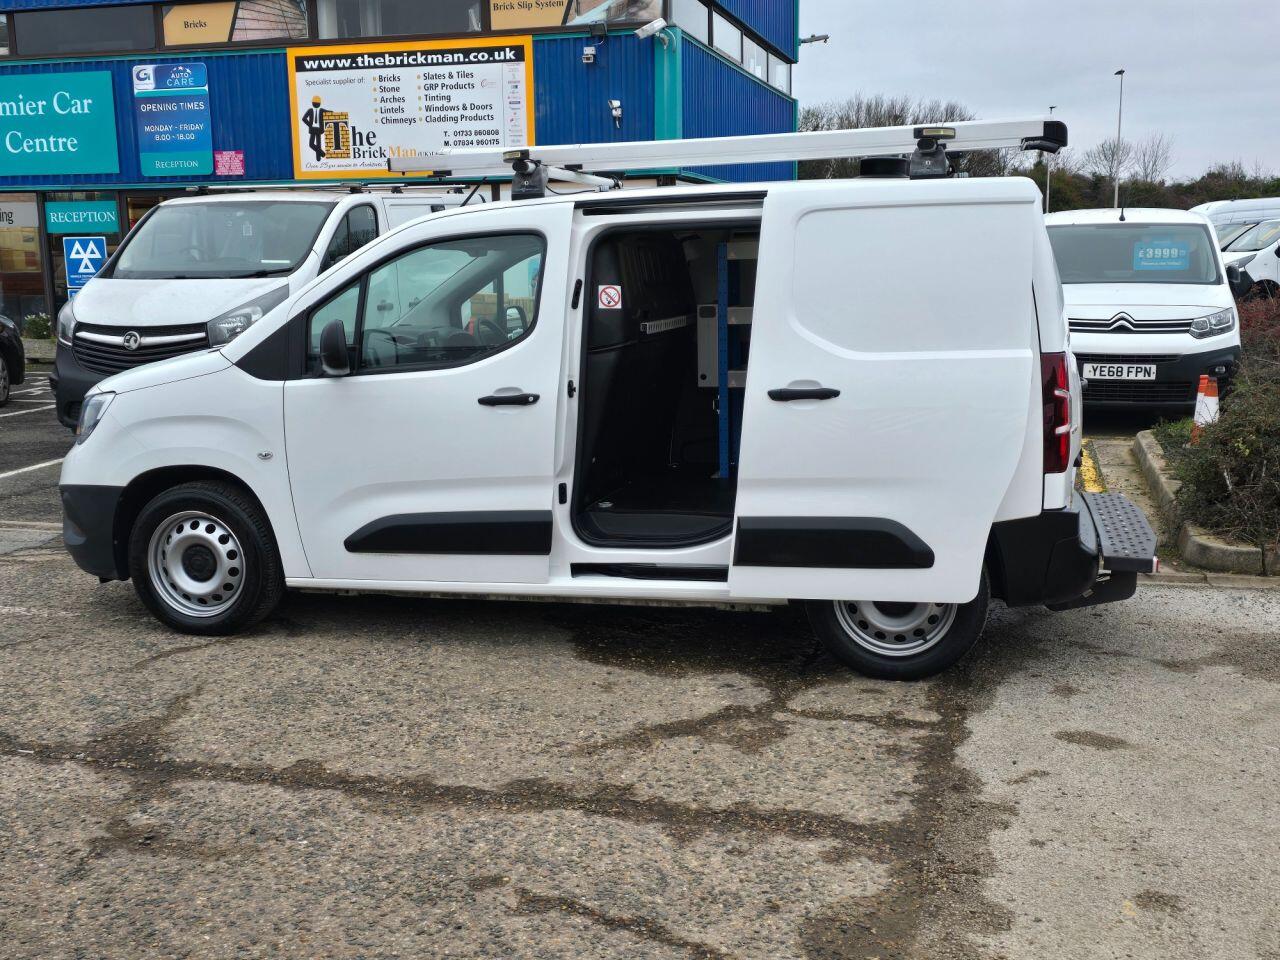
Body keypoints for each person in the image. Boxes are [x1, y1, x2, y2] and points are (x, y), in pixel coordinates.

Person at [302, 96, 327, 163]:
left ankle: (318, 158)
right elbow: (304, 118)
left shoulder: (321, 110)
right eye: (315, 103)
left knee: (318, 144)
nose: (316, 104)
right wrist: (310, 125)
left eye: (317, 103)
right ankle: (323, 154)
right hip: (313, 129)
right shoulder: (310, 110)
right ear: (312, 103)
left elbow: (329, 112)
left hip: (319, 129)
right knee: (311, 144)